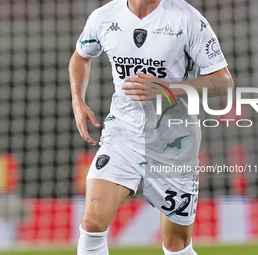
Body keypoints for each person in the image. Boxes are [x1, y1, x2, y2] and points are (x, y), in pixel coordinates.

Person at [69, 0, 234, 254]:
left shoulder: (186, 18)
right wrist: (78, 100)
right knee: (92, 225)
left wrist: (168, 89)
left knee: (175, 245)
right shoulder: (104, 17)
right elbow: (81, 56)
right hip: (122, 134)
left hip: (174, 141)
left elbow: (223, 81)